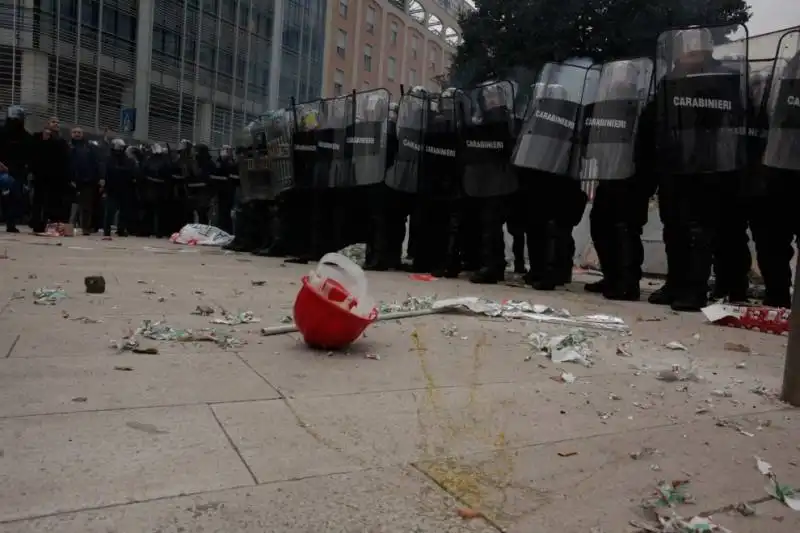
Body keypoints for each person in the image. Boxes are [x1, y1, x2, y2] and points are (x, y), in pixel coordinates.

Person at [648, 27, 749, 311]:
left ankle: (696, 290)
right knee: (674, 229)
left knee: (701, 232)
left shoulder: (726, 78)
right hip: (675, 164)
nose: (691, 55)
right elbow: (659, 119)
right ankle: (676, 284)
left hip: (711, 167)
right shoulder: (670, 80)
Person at [30, 117, 70, 233]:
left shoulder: (61, 140)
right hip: (41, 175)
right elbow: (34, 154)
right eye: (53, 122)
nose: (56, 124)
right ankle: (37, 224)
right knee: (39, 201)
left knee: (54, 202)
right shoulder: (38, 136)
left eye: (57, 122)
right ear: (47, 124)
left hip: (56, 177)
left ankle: (52, 225)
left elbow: (65, 158)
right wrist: (44, 140)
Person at [0, 106, 32, 233]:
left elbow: (31, 155)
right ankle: (10, 222)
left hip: (17, 171)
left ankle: (11, 223)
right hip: (4, 169)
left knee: (15, 198)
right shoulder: (2, 133)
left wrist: (27, 168)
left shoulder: (26, 136)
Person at [69, 126, 103, 235]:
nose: (77, 134)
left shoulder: (89, 147)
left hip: (87, 180)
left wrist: (100, 177)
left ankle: (86, 228)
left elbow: (97, 163)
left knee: (87, 206)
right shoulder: (67, 146)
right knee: (68, 205)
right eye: (74, 132)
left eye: (79, 132)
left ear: (82, 134)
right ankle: (67, 226)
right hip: (70, 179)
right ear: (71, 134)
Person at [102, 139, 136, 237]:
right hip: (112, 188)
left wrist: (119, 171)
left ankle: (121, 229)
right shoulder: (109, 158)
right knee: (110, 210)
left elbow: (130, 171)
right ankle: (107, 230)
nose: (119, 149)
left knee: (124, 211)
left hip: (125, 188)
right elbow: (108, 171)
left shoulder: (127, 160)